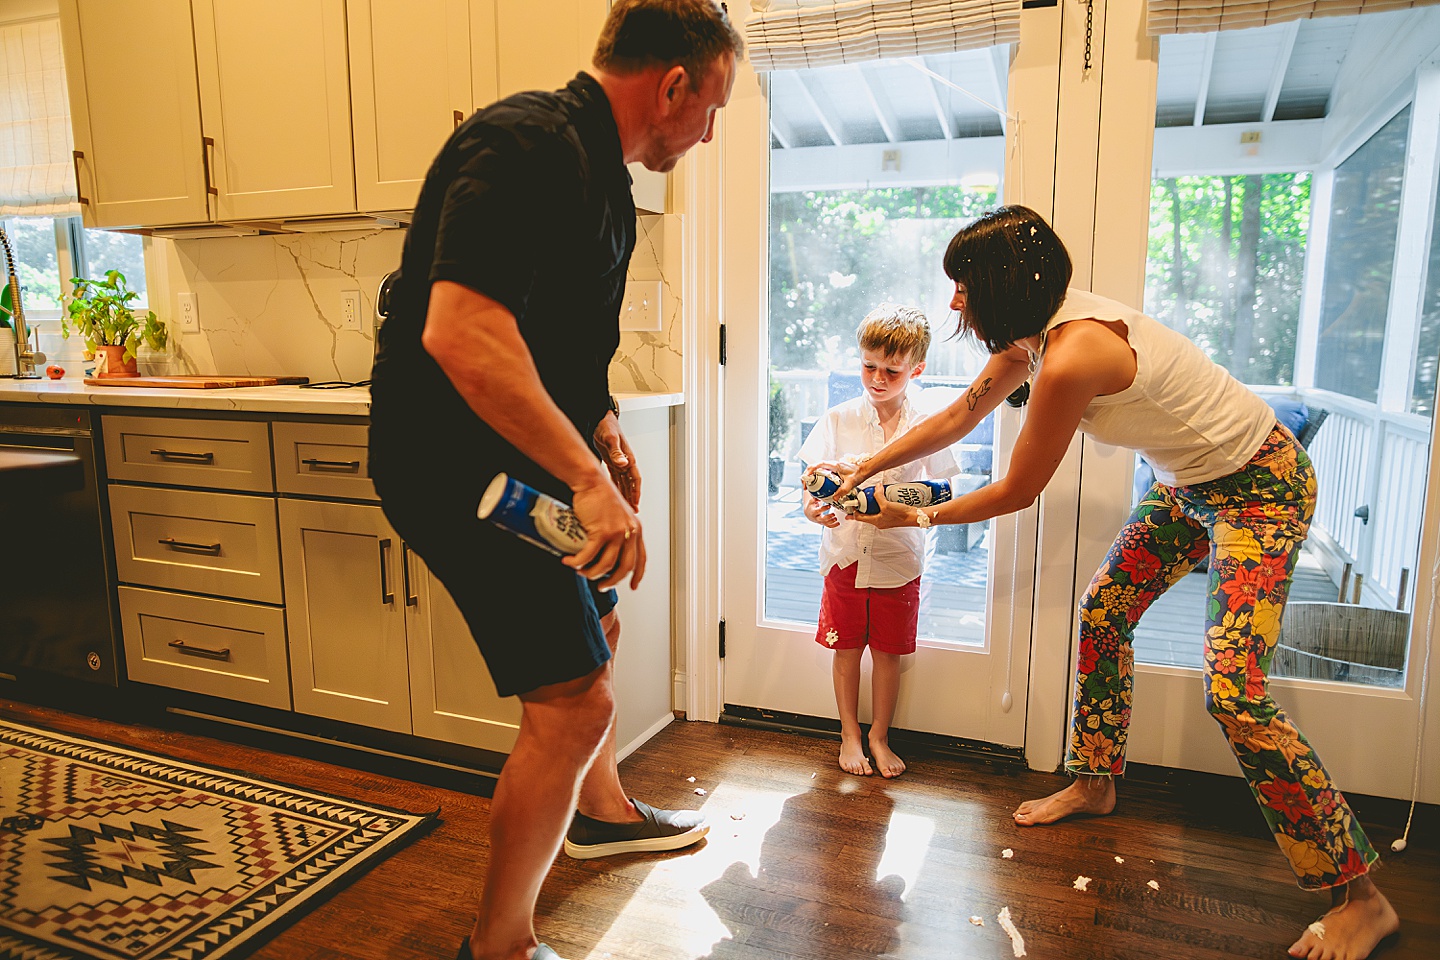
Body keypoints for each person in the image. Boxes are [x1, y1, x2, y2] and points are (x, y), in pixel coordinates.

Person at [820, 206, 1401, 960]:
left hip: (1261, 483)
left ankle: (1362, 895)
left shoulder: (1072, 356)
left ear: (1001, 285)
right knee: (1105, 611)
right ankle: (1095, 781)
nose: (955, 302)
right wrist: (866, 468)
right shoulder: (1031, 338)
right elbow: (959, 420)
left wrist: (909, 516)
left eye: (962, 286)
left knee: (1234, 694)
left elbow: (1014, 492)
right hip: (1189, 481)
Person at [366, 4, 743, 959]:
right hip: (459, 471)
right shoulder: (527, 141)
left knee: (598, 622)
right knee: (576, 700)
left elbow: (559, 344)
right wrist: (585, 479)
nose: (710, 131)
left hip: (518, 461)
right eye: (714, 108)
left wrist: (603, 428)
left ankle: (603, 813)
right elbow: (462, 329)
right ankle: (500, 944)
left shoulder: (602, 179)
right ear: (673, 86)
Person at [798, 305, 957, 778]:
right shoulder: (838, 418)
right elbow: (809, 487)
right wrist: (813, 509)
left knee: (888, 653)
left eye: (892, 370)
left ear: (917, 369)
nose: (878, 378)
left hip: (898, 560)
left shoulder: (930, 422)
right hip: (845, 556)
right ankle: (849, 732)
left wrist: (909, 512)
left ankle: (878, 735)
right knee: (846, 649)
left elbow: (944, 492)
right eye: (869, 366)